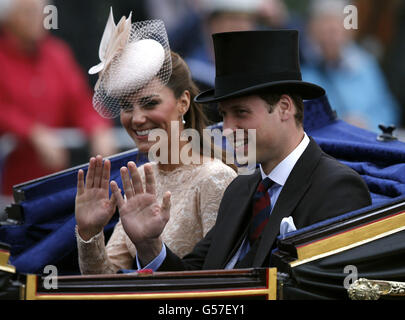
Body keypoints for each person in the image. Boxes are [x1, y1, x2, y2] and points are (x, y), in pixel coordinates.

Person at [109, 30, 372, 271]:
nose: (227, 129)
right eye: (224, 115)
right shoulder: (241, 190)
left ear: (284, 108)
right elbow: (196, 279)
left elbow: (322, 289)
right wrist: (148, 245)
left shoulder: (336, 188)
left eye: (241, 113)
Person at [74, 11, 237, 274]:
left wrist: (149, 244)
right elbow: (105, 282)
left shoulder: (216, 178)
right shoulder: (138, 177)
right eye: (126, 107)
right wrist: (89, 233)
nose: (137, 119)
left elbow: (214, 284)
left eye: (150, 103)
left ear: (183, 102)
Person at [0, 0, 117, 196]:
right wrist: (31, 132)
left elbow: (79, 101)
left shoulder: (57, 54)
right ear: (8, 19)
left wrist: (98, 128)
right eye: (29, 13)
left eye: (43, 12)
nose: (41, 19)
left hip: (54, 182)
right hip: (10, 185)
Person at [300, 0, 400, 132]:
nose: (331, 37)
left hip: (367, 139)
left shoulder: (365, 65)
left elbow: (388, 110)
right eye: (325, 30)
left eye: (335, 30)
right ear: (313, 31)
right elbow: (301, 118)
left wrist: (368, 124)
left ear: (348, 31)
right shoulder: (304, 69)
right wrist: (338, 124)